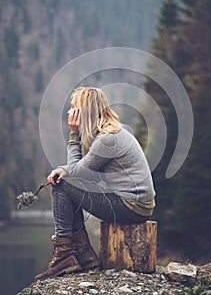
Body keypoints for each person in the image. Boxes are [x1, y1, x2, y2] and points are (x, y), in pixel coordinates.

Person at [36, 87, 156, 280]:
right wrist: (67, 169)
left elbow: (76, 170)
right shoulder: (110, 132)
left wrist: (73, 134)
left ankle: (64, 255)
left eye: (73, 107)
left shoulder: (108, 139)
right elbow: (84, 173)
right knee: (68, 184)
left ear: (85, 110)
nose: (69, 112)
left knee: (61, 185)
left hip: (131, 206)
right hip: (133, 204)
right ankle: (85, 256)